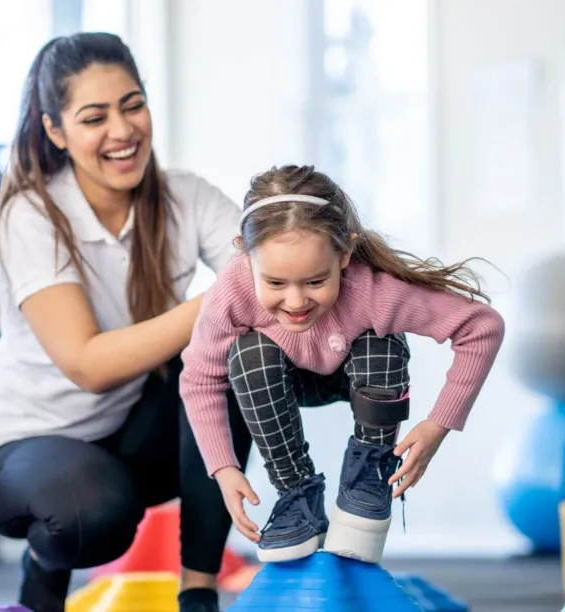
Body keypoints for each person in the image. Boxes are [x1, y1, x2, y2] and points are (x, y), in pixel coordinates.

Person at [0, 33, 252, 612]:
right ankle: (43, 570)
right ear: (55, 132)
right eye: (94, 117)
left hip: (132, 435)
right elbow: (88, 365)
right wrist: (218, 302)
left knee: (239, 356)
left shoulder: (188, 197)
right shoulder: (29, 211)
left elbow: (268, 270)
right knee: (93, 516)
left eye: (132, 104)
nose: (122, 130)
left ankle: (198, 591)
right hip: (26, 445)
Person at [180, 164, 506, 565]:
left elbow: (481, 326)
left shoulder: (372, 291)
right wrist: (224, 468)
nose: (296, 302)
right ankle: (296, 493)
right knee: (247, 354)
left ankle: (367, 477)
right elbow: (199, 379)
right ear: (246, 258)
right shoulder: (230, 292)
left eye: (316, 282)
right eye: (276, 284)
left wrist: (438, 423)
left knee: (381, 340)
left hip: (357, 377)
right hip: (277, 381)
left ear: (345, 255)